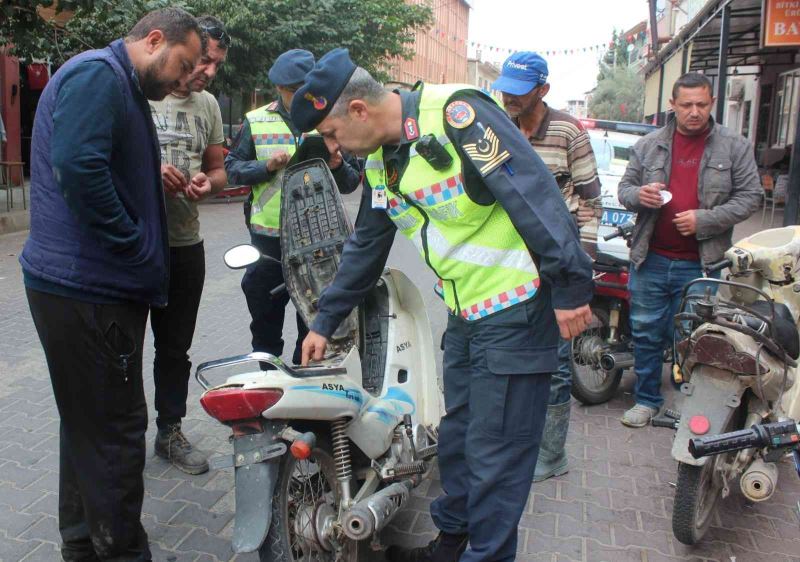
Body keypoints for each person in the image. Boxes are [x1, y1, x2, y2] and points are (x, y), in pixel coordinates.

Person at [291, 48, 593, 562]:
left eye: (333, 134)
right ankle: (450, 545)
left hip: (519, 310)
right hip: (468, 314)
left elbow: (534, 193)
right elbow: (366, 244)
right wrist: (325, 319)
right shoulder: (385, 163)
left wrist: (570, 286)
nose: (334, 148)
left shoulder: (457, 114)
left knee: (498, 456)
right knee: (457, 440)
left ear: (358, 112)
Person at [19, 8, 202, 561]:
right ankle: (120, 551)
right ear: (153, 40)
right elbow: (78, 167)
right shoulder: (98, 75)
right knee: (118, 434)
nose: (186, 78)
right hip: (90, 290)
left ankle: (81, 542)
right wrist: (130, 242)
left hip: (82, 286)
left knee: (87, 424)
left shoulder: (114, 82)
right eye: (184, 63)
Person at [617, 72, 761, 427]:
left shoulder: (734, 145)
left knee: (697, 338)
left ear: (712, 103)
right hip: (649, 258)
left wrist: (706, 219)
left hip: (703, 263)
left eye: (701, 104)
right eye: (686, 105)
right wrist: (640, 196)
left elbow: (751, 196)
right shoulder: (649, 145)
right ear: (673, 105)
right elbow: (624, 189)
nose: (694, 112)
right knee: (646, 333)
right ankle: (647, 401)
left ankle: (690, 407)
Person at [493, 51, 600, 483]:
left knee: (555, 365)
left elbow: (591, 204)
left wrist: (579, 273)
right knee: (509, 356)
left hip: (555, 265)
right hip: (507, 267)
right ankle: (515, 441)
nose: (510, 99)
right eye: (505, 90)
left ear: (543, 90)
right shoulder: (496, 127)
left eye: (519, 92)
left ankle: (552, 452)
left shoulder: (568, 132)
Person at [224, 49, 360, 365]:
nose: (298, 95)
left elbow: (351, 183)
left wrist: (337, 165)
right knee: (265, 331)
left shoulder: (329, 121)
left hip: (318, 245)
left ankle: (305, 401)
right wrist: (265, 167)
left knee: (314, 331)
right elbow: (231, 167)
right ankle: (269, 391)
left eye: (303, 88)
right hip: (268, 244)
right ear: (279, 88)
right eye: (291, 90)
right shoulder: (256, 121)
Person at [148, 15, 229, 475]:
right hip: (136, 245)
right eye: (204, 61)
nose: (208, 72)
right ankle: (120, 435)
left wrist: (208, 183)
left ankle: (169, 432)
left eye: (217, 64)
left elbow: (219, 169)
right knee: (121, 347)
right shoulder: (142, 94)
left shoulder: (210, 107)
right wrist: (150, 170)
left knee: (174, 349)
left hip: (185, 243)